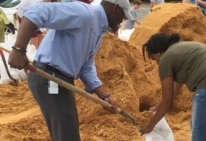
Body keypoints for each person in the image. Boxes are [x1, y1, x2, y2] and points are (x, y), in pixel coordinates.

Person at [8, 0, 133, 141]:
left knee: (68, 132)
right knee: (68, 136)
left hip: (60, 80)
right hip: (49, 78)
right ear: (114, 8)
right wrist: (19, 49)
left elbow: (86, 67)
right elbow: (34, 13)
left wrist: (104, 96)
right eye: (122, 15)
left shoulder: (97, 28)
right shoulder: (84, 13)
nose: (122, 20)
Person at [139, 33, 206, 141]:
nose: (157, 63)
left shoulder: (165, 59)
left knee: (199, 134)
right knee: (197, 126)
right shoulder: (179, 49)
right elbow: (175, 90)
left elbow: (167, 101)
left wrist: (150, 126)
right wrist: (157, 107)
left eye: (154, 59)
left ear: (157, 53)